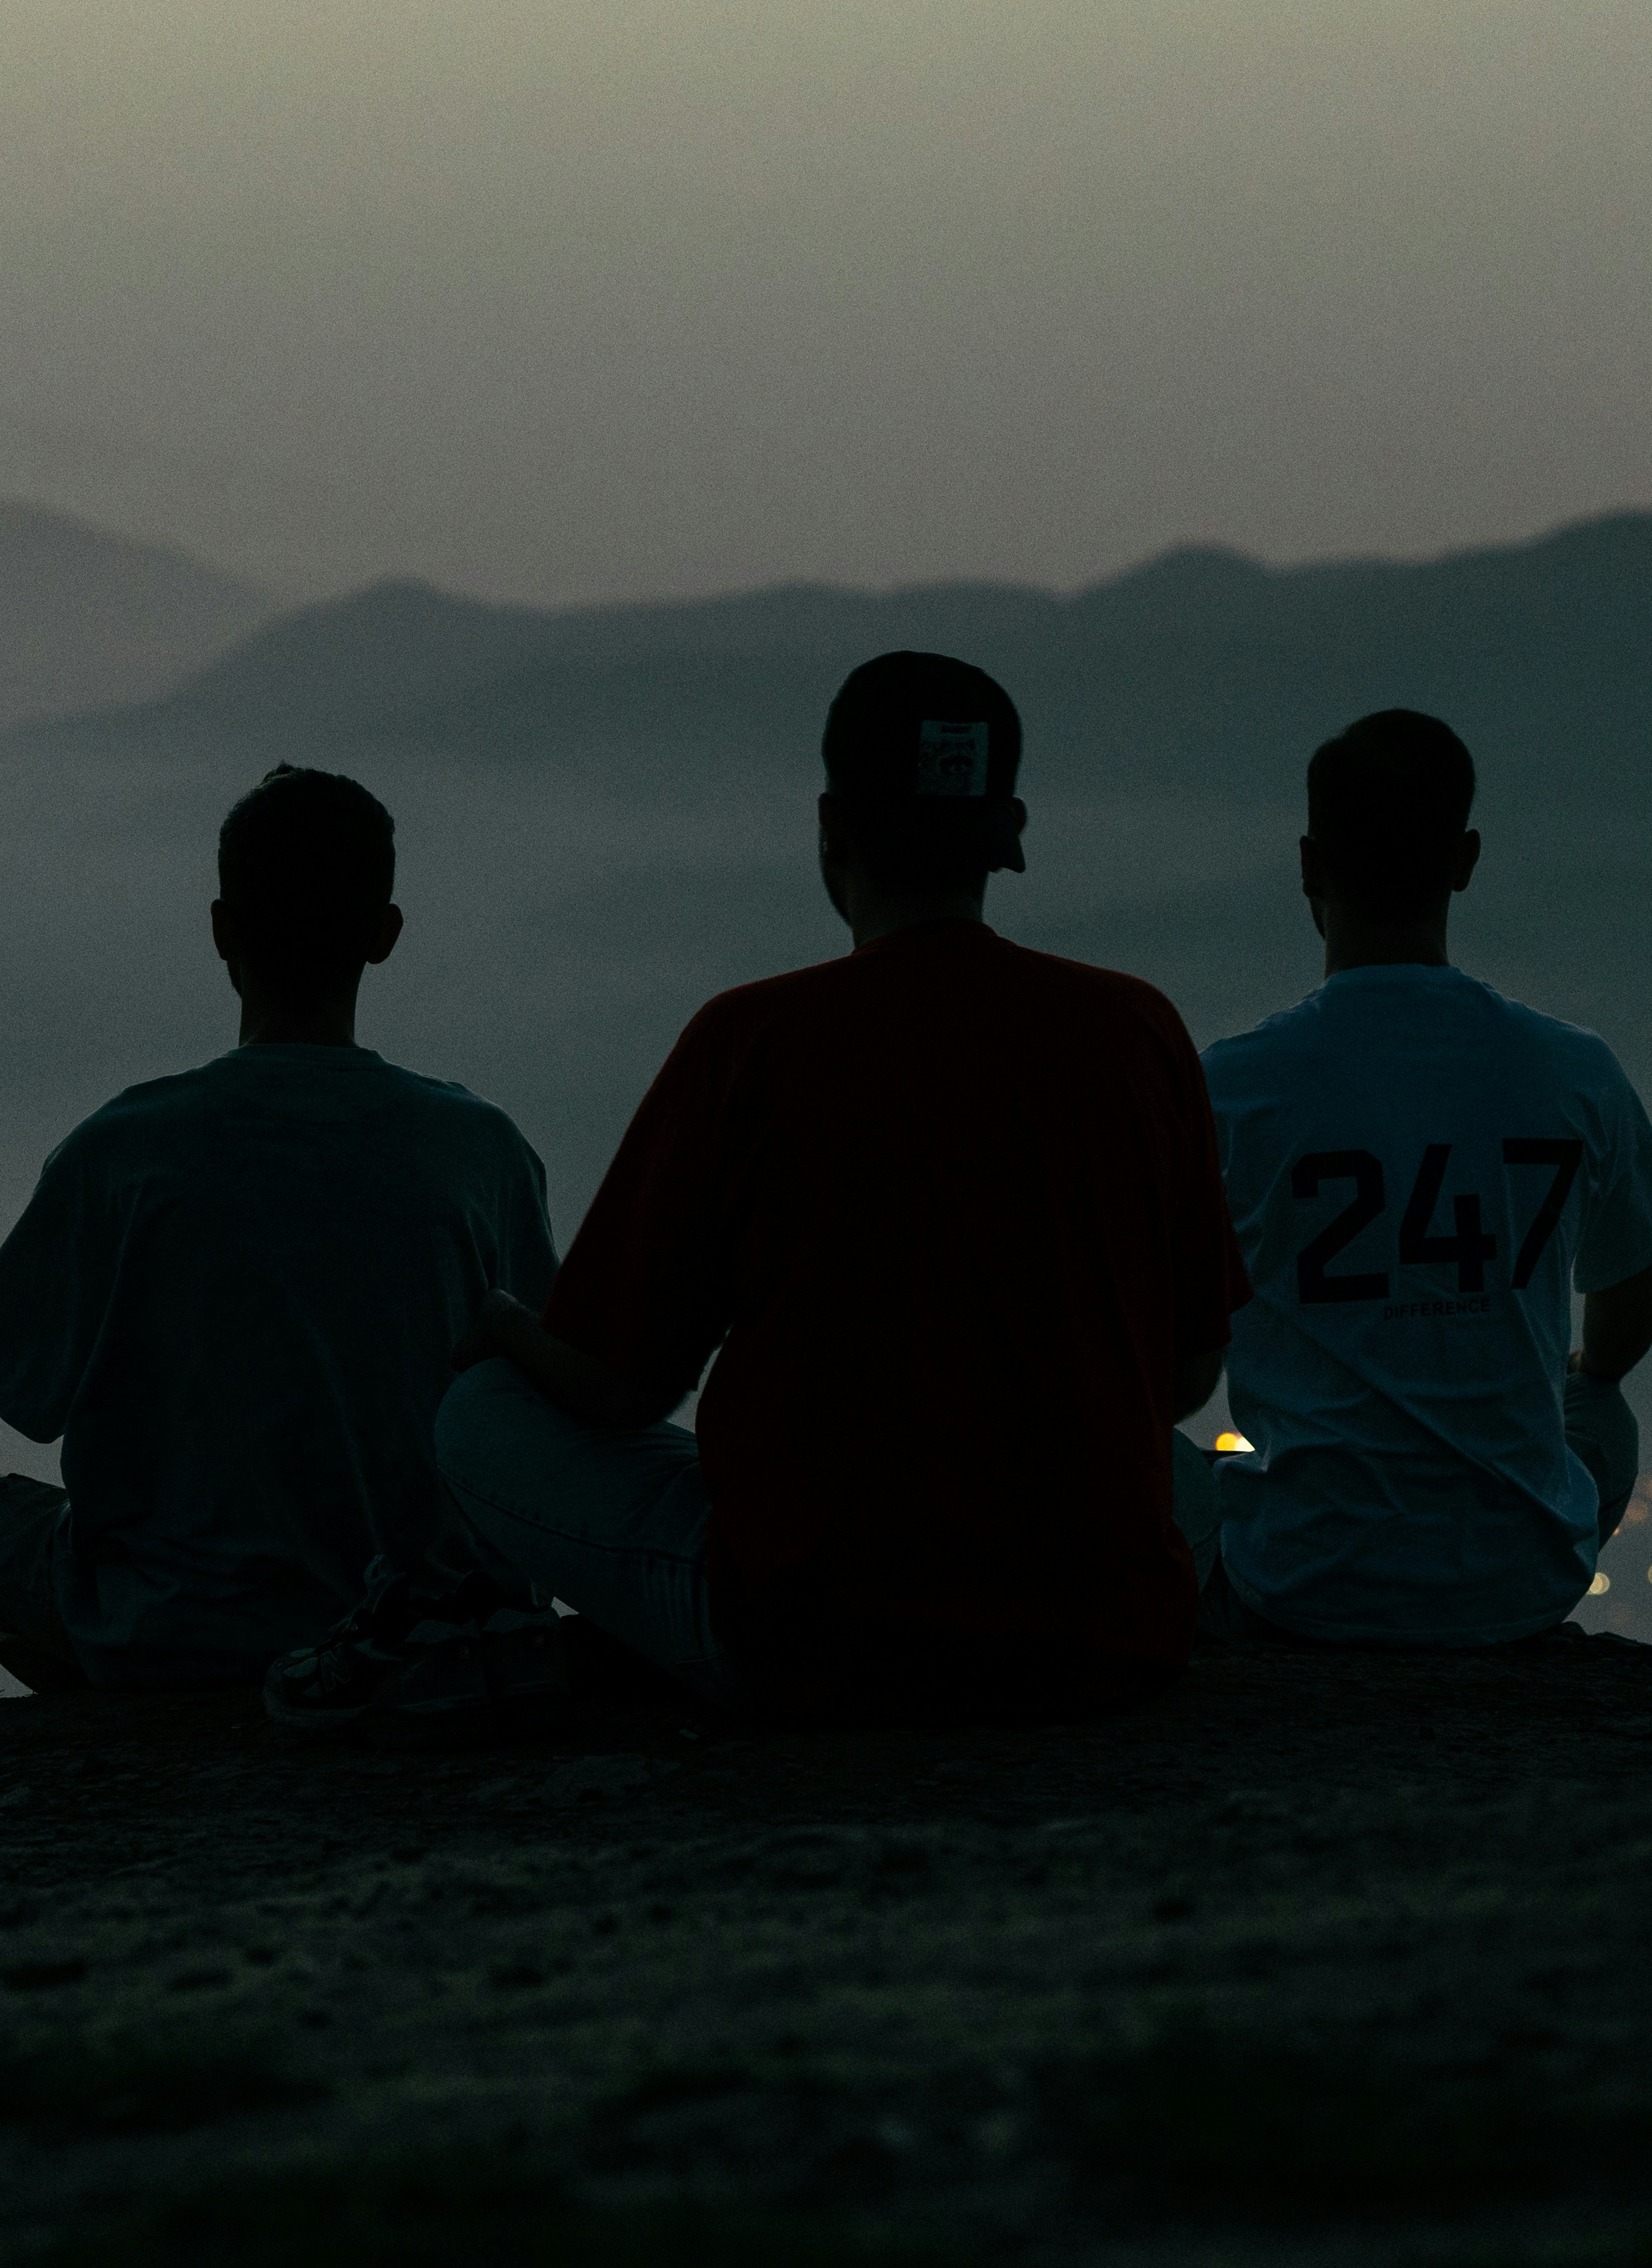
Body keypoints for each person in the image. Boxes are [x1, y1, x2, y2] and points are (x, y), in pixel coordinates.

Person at [427, 652, 1245, 1725]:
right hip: (1099, 1632)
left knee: (483, 1410)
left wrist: (505, 1324)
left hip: (817, 1640)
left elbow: (615, 1387)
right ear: (1009, 834)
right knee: (1183, 1475)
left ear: (831, 827)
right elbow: (1184, 1376)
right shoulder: (1137, 1030)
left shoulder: (751, 1040)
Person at [0, 766, 562, 1702]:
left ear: (222, 928)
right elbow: (547, 1374)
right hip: (412, 1619)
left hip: (170, 1624)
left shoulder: (127, 1151)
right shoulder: (481, 1152)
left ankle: (80, 1656)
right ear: (384, 936)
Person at [1184, 710, 1652, 1645]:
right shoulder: (1574, 1071)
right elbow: (1626, 1323)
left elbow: (1173, 1352)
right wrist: (1569, 1374)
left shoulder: (1232, 1089)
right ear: (1465, 859)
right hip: (1519, 1581)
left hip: (1304, 1579)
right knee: (1602, 1418)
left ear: (1309, 865)